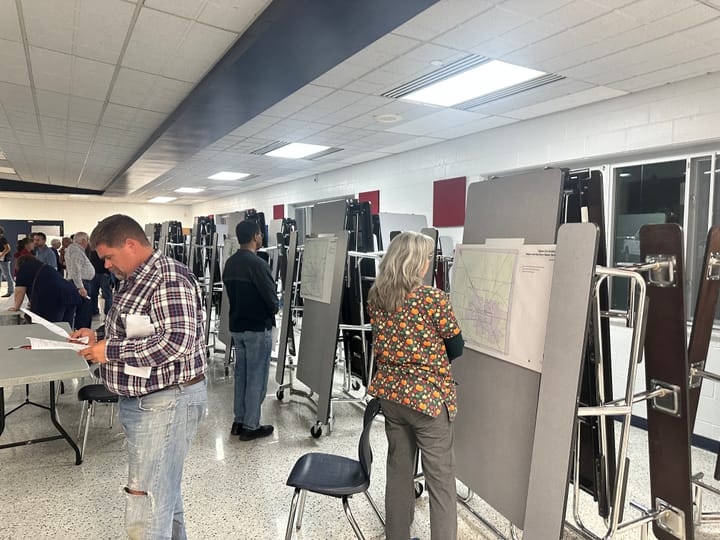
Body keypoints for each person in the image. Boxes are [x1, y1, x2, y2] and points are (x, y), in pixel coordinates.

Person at [71, 214, 207, 540]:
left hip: (166, 402)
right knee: (163, 493)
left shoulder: (168, 279)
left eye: (108, 256)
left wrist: (111, 351)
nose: (105, 265)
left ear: (130, 245)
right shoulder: (134, 279)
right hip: (150, 401)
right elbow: (133, 329)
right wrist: (98, 336)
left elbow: (175, 341)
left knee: (146, 503)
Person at [366, 231, 463, 540]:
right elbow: (456, 347)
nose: (428, 264)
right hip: (428, 402)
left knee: (398, 471)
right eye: (426, 258)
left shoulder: (377, 296)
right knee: (441, 482)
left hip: (392, 398)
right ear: (416, 263)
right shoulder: (433, 299)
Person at [222, 220, 278, 441]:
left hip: (237, 326)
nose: (262, 238)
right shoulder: (257, 264)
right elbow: (271, 300)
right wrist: (276, 306)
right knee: (256, 377)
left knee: (241, 375)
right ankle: (251, 426)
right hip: (257, 327)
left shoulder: (230, 263)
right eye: (261, 234)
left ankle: (239, 420)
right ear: (256, 236)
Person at [8, 255, 80, 324]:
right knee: (66, 328)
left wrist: (16, 307)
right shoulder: (45, 267)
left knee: (52, 328)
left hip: (54, 297)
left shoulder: (24, 268)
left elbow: (19, 291)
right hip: (71, 294)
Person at [64, 232, 96, 329]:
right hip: (81, 283)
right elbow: (75, 270)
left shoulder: (76, 250)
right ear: (83, 241)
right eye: (87, 241)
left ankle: (81, 331)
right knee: (84, 312)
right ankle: (83, 333)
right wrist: (80, 287)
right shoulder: (76, 250)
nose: (88, 243)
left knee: (83, 311)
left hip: (81, 283)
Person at [0, 226, 14, 297]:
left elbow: (8, 248)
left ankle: (11, 291)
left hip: (4, 259)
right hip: (1, 259)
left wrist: (1, 255)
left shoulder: (3, 239)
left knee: (7, 275)